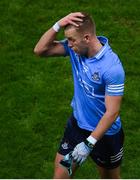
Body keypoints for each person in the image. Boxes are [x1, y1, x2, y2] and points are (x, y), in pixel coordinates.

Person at [34, 12, 125, 179]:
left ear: (87, 38)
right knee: (60, 177)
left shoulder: (112, 68)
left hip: (105, 136)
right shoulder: (75, 50)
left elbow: (112, 112)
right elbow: (40, 50)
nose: (68, 44)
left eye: (71, 40)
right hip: (76, 127)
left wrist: (89, 143)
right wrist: (58, 24)